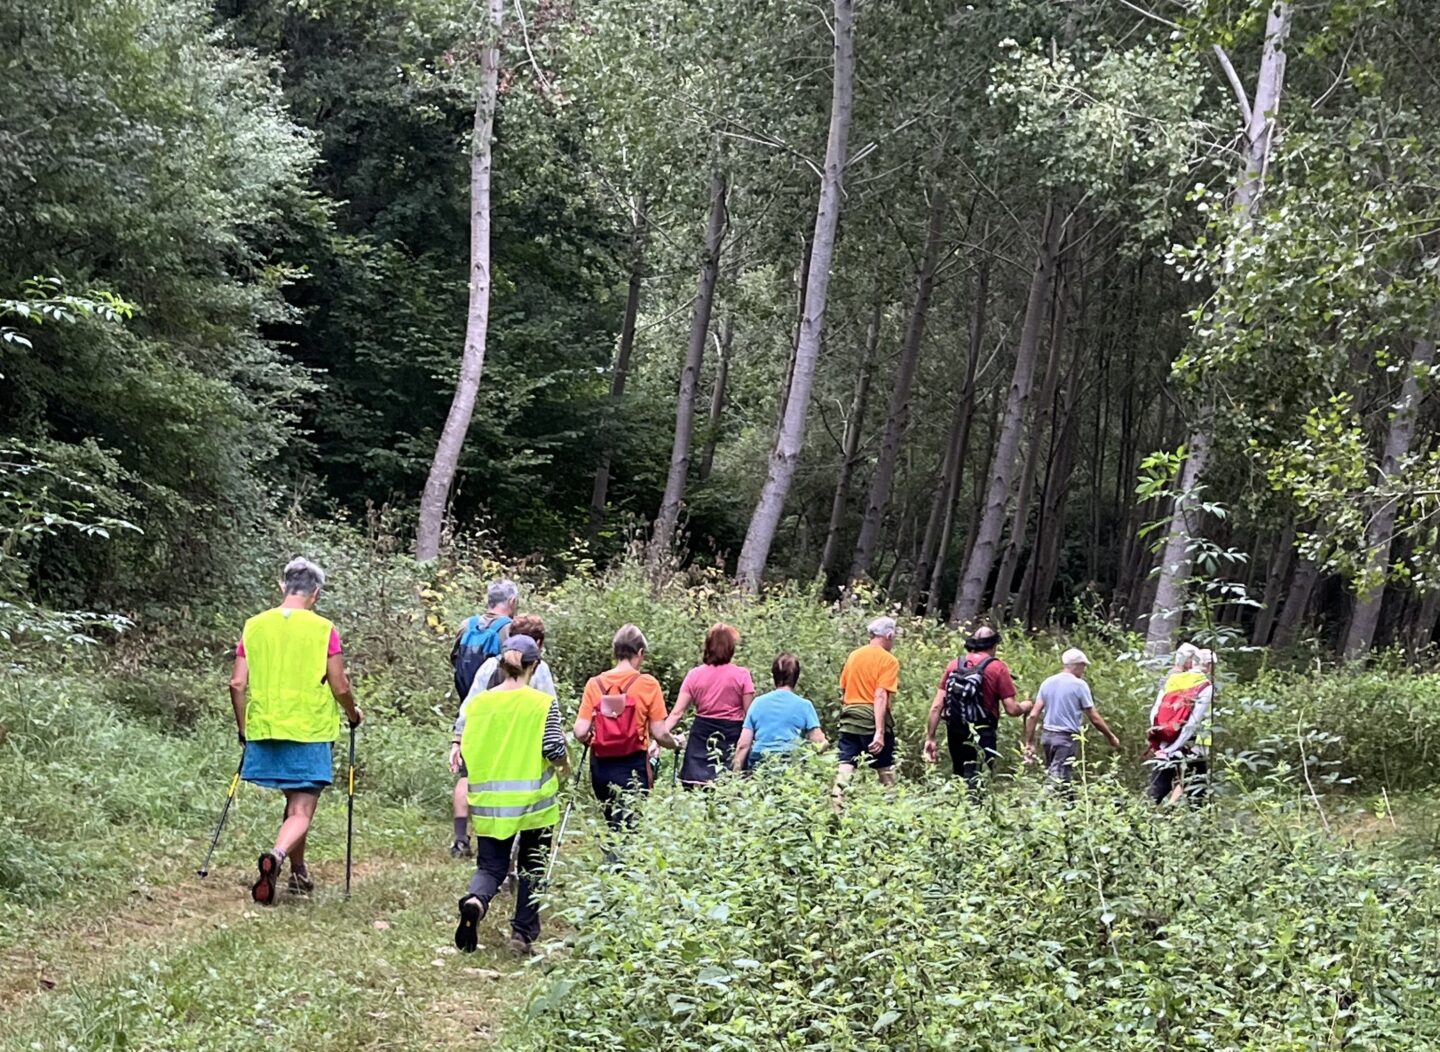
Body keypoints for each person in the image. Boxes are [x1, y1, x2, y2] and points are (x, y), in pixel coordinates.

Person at [229, 558, 363, 905]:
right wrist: (352, 712)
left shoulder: (254, 626)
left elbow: (237, 683)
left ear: (281, 586)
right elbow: (340, 684)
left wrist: (245, 729)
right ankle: (276, 855)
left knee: (293, 804)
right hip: (310, 729)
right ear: (316, 593)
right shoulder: (323, 629)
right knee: (302, 809)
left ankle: (298, 872)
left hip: (266, 727)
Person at [453, 634, 567, 956]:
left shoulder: (478, 705)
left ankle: (475, 901)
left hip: (490, 802)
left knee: (490, 867)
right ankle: (521, 936)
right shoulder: (542, 704)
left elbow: (468, 752)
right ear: (534, 666)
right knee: (532, 867)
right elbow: (554, 748)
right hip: (534, 804)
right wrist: (565, 766)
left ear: (501, 665)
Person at [450, 614, 558, 859]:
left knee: (477, 787)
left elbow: (469, 705)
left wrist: (458, 739)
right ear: (538, 644)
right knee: (523, 807)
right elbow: (551, 710)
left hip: (486, 742)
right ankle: (511, 865)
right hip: (522, 748)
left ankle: (463, 839)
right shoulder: (538, 670)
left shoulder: (490, 665)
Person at [573, 624, 681, 835]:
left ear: (615, 652)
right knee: (629, 829)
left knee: (614, 825)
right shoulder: (648, 683)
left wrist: (593, 738)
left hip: (601, 767)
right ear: (640, 652)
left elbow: (579, 731)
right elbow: (660, 733)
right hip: (633, 767)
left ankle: (612, 861)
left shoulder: (595, 684)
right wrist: (674, 743)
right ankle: (618, 864)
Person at [448, 579, 519, 858]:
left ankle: (460, 839)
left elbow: (454, 659)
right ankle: (496, 836)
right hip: (498, 710)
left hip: (469, 705)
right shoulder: (508, 630)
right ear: (511, 602)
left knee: (467, 772)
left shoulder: (467, 625)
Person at [922, 626, 1027, 789]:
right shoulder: (997, 667)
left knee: (960, 775)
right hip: (983, 731)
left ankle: (962, 809)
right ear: (993, 646)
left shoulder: (954, 665)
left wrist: (931, 737)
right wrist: (1025, 706)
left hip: (955, 729)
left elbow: (936, 707)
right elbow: (1012, 709)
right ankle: (976, 810)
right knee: (980, 777)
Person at [666, 623, 755, 787]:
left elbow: (677, 713)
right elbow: (750, 716)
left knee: (694, 788)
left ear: (708, 646)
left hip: (700, 739)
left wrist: (659, 738)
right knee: (729, 791)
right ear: (731, 648)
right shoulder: (742, 675)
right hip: (732, 738)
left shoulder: (694, 675)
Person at [1022, 648, 1119, 785]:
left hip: (1047, 736)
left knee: (1061, 775)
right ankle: (1042, 802)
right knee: (1057, 778)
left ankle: (1068, 804)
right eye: (1083, 666)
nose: (1084, 670)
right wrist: (1111, 736)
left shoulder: (1047, 682)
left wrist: (1029, 742)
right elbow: (1094, 717)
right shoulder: (1080, 686)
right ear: (1078, 665)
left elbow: (1033, 715)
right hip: (1066, 738)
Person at [835, 616, 901, 798]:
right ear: (888, 635)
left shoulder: (854, 656)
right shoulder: (889, 660)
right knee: (886, 772)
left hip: (849, 720)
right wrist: (879, 732)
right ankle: (895, 815)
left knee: (845, 768)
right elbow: (880, 695)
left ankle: (836, 810)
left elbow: (843, 690)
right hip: (872, 721)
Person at [732, 653, 828, 771]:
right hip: (791, 760)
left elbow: (743, 744)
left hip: (761, 759)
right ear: (796, 678)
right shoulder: (805, 706)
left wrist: (735, 775)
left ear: (774, 676)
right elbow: (819, 742)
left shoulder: (757, 703)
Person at [1147, 647, 1215, 804]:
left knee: (1159, 787)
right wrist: (1173, 747)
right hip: (1194, 743)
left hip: (1168, 738)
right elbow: (1193, 722)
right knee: (1196, 788)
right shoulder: (1206, 687)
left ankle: (1145, 816)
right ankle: (1185, 820)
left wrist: (1159, 741)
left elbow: (1156, 711)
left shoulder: (1173, 679)